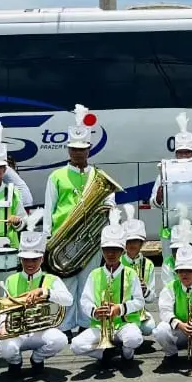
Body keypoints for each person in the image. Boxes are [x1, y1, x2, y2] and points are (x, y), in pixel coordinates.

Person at [44, 104, 116, 335]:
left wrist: (108, 210)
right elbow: (49, 208)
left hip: (91, 239)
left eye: (82, 149)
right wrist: (48, 238)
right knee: (66, 282)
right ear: (68, 149)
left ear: (89, 150)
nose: (78, 153)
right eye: (74, 149)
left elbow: (110, 203)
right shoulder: (56, 176)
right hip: (64, 238)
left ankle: (86, 324)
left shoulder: (98, 175)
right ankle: (65, 326)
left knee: (87, 282)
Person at [71, 209, 146, 364]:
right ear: (102, 251)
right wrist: (95, 311)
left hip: (125, 324)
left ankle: (127, 354)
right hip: (100, 326)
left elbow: (140, 301)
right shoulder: (94, 274)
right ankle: (105, 354)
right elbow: (85, 301)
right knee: (76, 346)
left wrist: (120, 308)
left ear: (122, 251)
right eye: (107, 250)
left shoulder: (130, 273)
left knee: (134, 339)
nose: (111, 254)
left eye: (115, 250)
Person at [0, 230, 72, 375]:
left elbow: (69, 300)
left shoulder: (52, 279)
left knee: (60, 340)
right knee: (5, 347)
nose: (29, 263)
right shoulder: (11, 280)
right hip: (17, 333)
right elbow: (3, 310)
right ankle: (15, 362)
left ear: (42, 259)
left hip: (41, 332)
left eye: (34, 259)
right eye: (25, 259)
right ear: (20, 259)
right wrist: (2, 327)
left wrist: (45, 292)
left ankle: (37, 359)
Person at [151, 112, 192, 263]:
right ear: (176, 154)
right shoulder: (166, 172)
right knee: (171, 267)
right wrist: (158, 197)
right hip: (170, 230)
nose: (184, 156)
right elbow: (153, 202)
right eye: (180, 153)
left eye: (187, 152)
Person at [119, 205, 157, 338]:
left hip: (138, 311)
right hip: (119, 310)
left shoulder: (148, 264)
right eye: (128, 241)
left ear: (142, 243)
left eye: (135, 241)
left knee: (149, 327)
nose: (132, 245)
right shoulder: (117, 262)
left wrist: (145, 290)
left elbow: (152, 298)